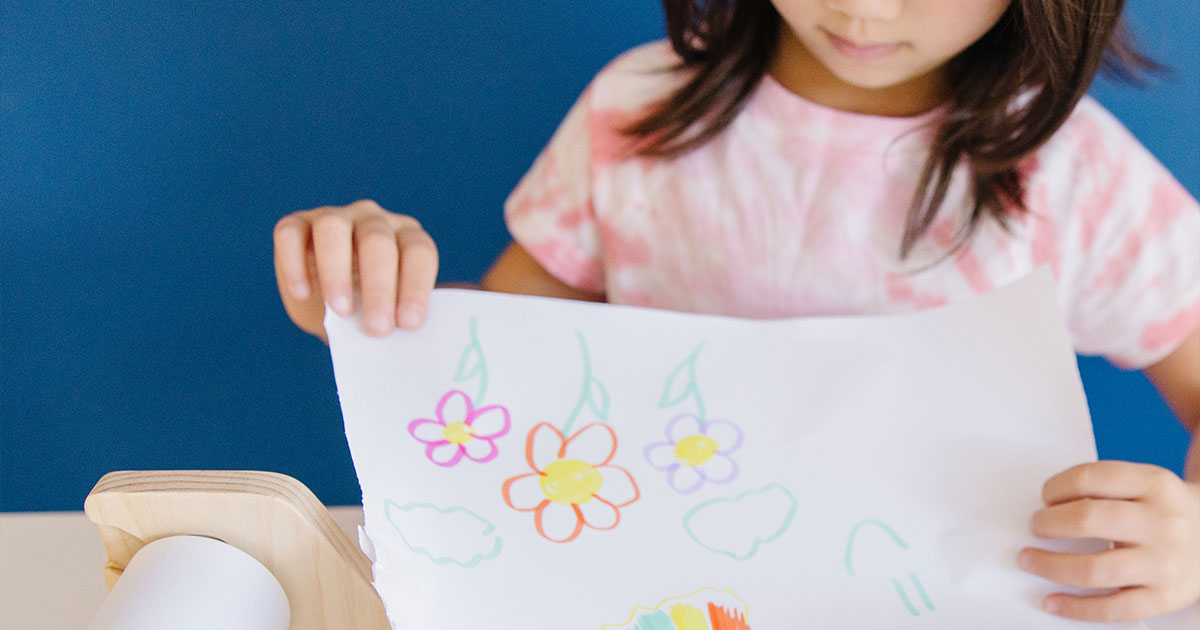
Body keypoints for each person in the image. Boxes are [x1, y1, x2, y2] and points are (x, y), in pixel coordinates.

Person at [273, 0, 1200, 621]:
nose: (866, 8)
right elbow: (486, 374)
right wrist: (370, 298)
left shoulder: (1078, 176)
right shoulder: (639, 112)